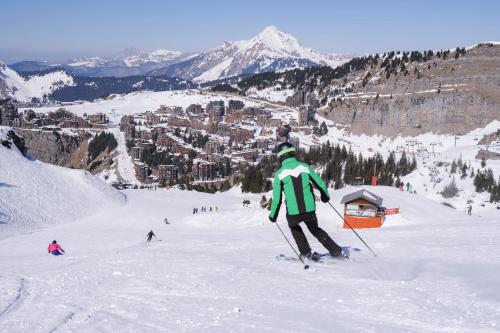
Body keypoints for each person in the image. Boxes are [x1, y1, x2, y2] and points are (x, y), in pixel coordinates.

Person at [268, 142, 344, 259]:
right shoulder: (305, 167)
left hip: (293, 213)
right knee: (315, 230)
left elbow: (277, 199)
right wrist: (325, 196)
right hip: (309, 210)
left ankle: (306, 253)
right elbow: (320, 183)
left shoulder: (279, 174)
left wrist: (273, 215)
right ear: (292, 153)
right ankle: (337, 251)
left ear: (281, 157)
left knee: (294, 226)